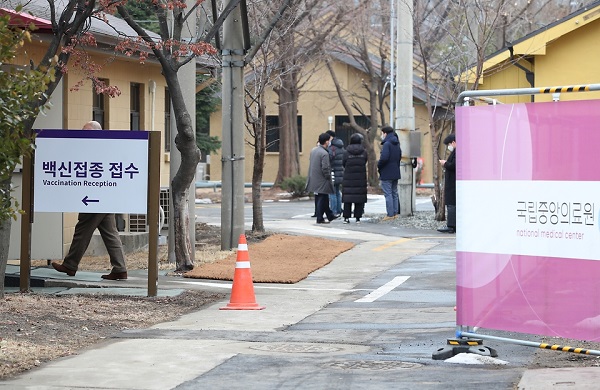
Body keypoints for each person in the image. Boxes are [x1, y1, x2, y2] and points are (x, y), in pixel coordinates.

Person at [51, 121, 128, 280]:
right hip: (106, 196)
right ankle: (120, 268)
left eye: (85, 131)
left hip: (96, 197)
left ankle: (70, 265)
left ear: (97, 132)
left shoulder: (96, 148)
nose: (82, 133)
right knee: (110, 233)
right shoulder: (105, 147)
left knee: (83, 229)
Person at [306, 133, 339, 224]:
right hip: (322, 179)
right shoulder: (324, 153)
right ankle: (320, 218)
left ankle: (329, 215)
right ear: (326, 141)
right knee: (322, 197)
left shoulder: (314, 150)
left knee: (323, 198)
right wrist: (328, 177)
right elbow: (325, 168)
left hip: (314, 178)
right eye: (329, 140)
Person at [341, 133, 368, 224]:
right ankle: (358, 218)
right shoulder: (364, 152)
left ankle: (346, 218)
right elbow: (365, 161)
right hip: (360, 178)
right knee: (359, 198)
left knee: (348, 198)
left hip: (348, 177)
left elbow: (343, 163)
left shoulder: (346, 152)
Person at [377, 125, 402, 219]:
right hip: (395, 171)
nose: (382, 135)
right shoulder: (397, 143)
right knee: (394, 193)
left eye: (382, 133)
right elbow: (399, 156)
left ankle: (390, 214)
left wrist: (379, 165)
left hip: (386, 172)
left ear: (385, 133)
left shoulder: (387, 144)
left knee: (388, 193)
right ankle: (395, 213)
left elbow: (384, 158)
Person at [438, 133, 456, 233]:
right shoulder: (457, 152)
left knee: (451, 203)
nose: (449, 147)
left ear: (453, 142)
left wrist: (445, 163)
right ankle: (452, 224)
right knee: (451, 203)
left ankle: (451, 225)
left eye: (449, 144)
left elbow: (454, 165)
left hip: (453, 182)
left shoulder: (458, 152)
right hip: (452, 181)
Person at [326, 130, 344, 217]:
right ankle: (339, 210)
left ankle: (333, 211)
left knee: (332, 193)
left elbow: (328, 160)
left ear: (330, 137)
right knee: (337, 192)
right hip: (340, 173)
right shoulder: (341, 147)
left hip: (333, 173)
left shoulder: (331, 148)